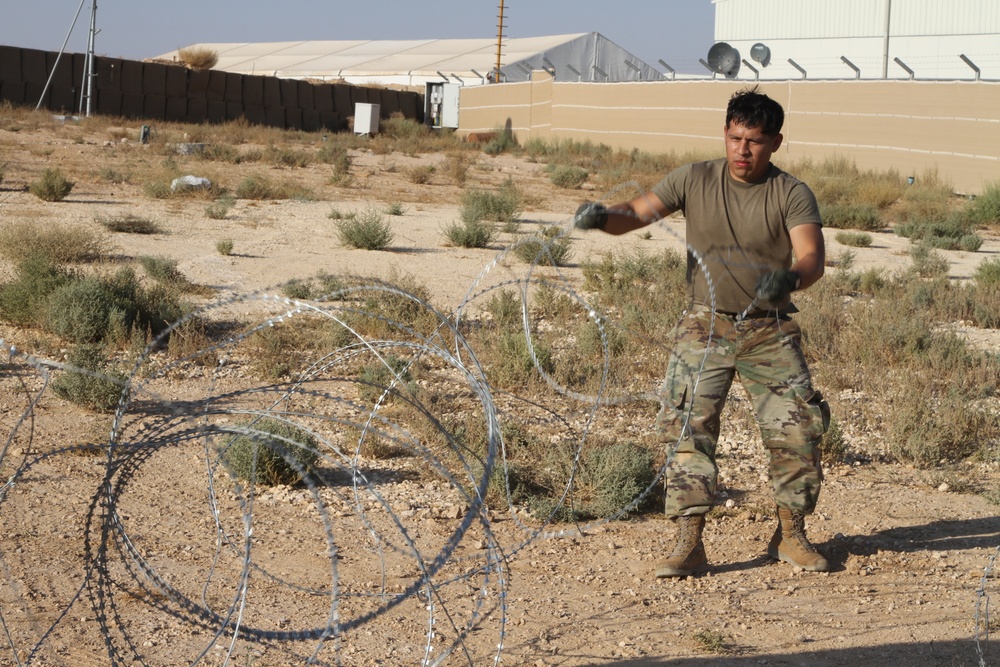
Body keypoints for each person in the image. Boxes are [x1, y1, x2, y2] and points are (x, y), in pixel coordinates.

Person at [574, 86, 831, 577]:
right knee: (687, 429)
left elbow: (812, 258)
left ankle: (792, 535)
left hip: (769, 330)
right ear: (725, 134)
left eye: (754, 141)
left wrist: (792, 278)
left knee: (798, 429)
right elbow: (638, 213)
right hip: (704, 324)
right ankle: (688, 542)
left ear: (775, 142)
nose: (742, 150)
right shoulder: (694, 179)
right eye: (735, 138)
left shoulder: (791, 193)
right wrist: (603, 218)